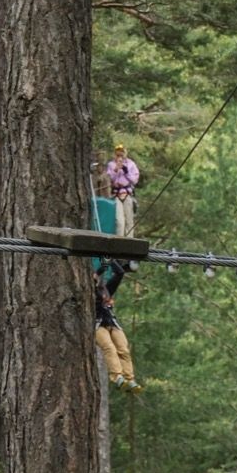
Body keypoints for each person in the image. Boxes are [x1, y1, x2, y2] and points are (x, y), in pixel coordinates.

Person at [95, 259, 140, 390]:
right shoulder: (88, 290)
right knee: (109, 348)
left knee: (123, 349)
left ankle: (129, 379)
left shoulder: (107, 289)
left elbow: (119, 273)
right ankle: (117, 376)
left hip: (111, 322)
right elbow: (94, 278)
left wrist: (110, 260)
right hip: (98, 325)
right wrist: (99, 271)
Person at [105, 141, 140, 235]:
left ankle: (129, 240)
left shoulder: (131, 164)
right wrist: (116, 170)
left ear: (125, 153)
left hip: (127, 193)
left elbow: (134, 180)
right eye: (118, 153)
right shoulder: (111, 164)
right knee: (119, 221)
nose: (120, 155)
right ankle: (119, 239)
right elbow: (108, 178)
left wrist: (126, 171)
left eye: (122, 152)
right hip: (116, 194)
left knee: (129, 220)